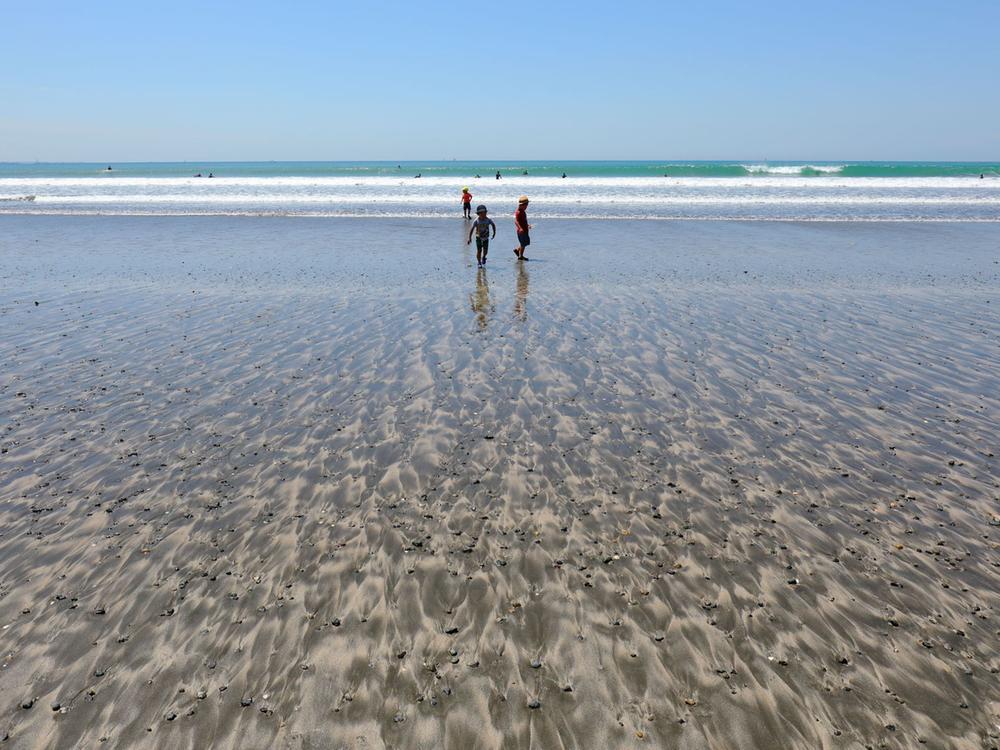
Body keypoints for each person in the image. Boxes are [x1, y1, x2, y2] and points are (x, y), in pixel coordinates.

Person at [513, 196, 531, 260]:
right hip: (521, 231)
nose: (526, 207)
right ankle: (520, 256)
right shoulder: (519, 212)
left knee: (525, 243)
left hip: (525, 230)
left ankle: (517, 250)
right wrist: (520, 228)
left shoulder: (523, 211)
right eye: (526, 205)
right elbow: (516, 221)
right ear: (522, 205)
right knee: (523, 244)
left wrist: (527, 225)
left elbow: (523, 221)